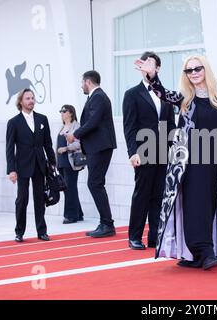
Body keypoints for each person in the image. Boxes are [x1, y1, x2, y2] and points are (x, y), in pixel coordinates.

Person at [135, 55, 217, 270]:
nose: (194, 73)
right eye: (189, 71)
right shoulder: (185, 100)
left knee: (209, 207)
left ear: (205, 69)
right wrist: (152, 76)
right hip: (193, 163)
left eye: (197, 68)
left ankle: (196, 255)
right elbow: (162, 93)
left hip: (216, 164)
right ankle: (204, 252)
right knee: (196, 206)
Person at [122, 52, 177, 250]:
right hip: (143, 151)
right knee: (142, 194)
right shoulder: (132, 94)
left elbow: (171, 125)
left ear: (158, 69)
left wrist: (174, 152)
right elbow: (129, 126)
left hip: (163, 151)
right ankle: (134, 236)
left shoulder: (166, 95)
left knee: (159, 195)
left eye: (152, 64)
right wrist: (132, 152)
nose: (148, 67)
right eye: (144, 63)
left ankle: (155, 236)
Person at [66, 71, 117, 238]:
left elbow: (93, 122)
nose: (81, 86)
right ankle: (106, 222)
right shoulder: (96, 97)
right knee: (95, 183)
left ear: (88, 82)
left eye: (82, 82)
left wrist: (75, 134)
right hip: (97, 146)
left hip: (100, 147)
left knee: (94, 183)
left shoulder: (98, 97)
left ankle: (107, 224)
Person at [6, 88, 56, 242]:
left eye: (33, 98)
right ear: (21, 101)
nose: (31, 101)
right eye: (28, 98)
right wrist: (11, 170)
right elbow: (9, 148)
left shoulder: (42, 119)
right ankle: (19, 232)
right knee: (22, 199)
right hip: (22, 166)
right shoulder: (13, 122)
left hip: (40, 165)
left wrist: (52, 162)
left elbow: (48, 143)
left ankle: (42, 231)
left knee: (40, 198)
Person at [56, 104, 85, 224]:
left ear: (71, 113)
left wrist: (66, 148)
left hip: (71, 161)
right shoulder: (62, 127)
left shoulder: (76, 126)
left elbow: (79, 143)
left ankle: (70, 215)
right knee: (68, 188)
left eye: (64, 111)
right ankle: (78, 213)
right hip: (62, 162)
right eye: (61, 111)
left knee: (70, 188)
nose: (62, 113)